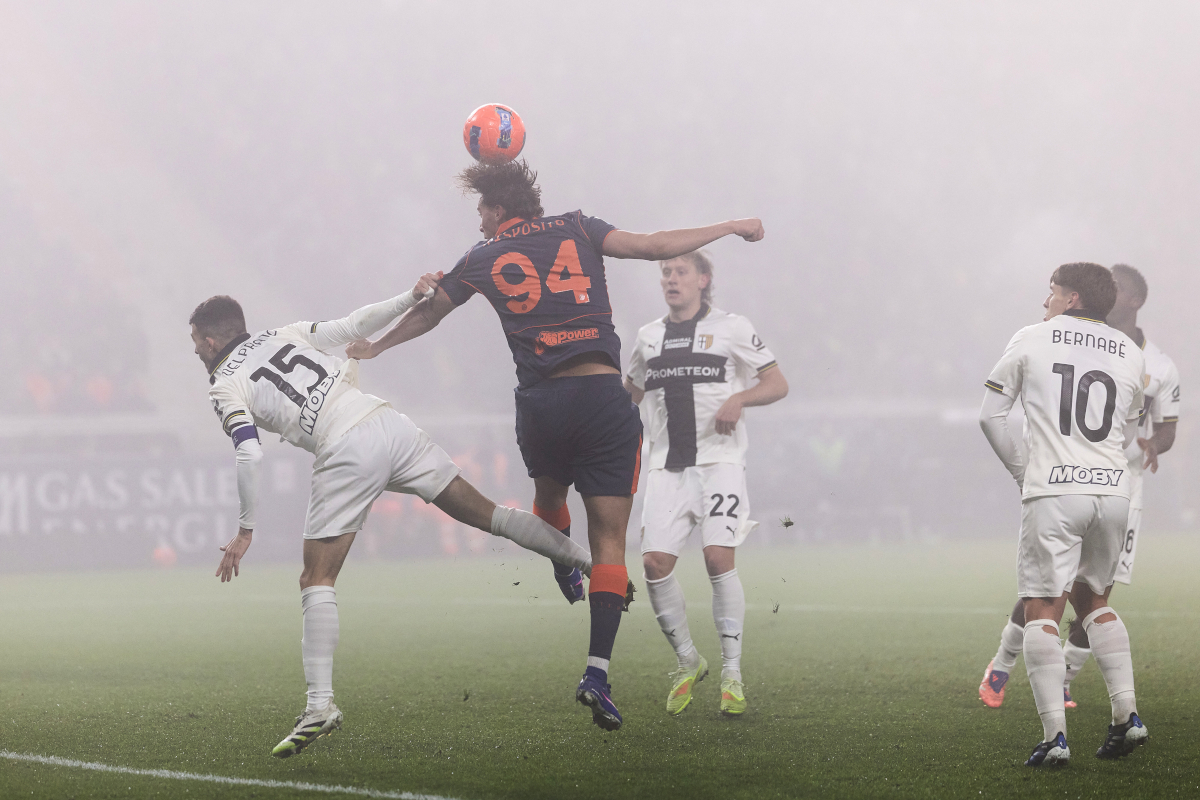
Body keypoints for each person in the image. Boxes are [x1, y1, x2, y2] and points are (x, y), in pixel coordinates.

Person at [345, 159, 764, 730]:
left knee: (548, 499)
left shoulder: (482, 257)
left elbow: (432, 312)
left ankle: (565, 564)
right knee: (612, 541)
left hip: (541, 403)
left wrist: (376, 346)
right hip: (599, 396)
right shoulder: (577, 226)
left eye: (481, 212)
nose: (480, 223)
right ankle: (596, 672)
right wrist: (730, 225)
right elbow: (651, 245)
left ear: (496, 208)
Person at [190, 275, 593, 758]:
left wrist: (245, 530)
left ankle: (320, 706)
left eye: (195, 341)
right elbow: (353, 325)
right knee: (490, 514)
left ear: (211, 340)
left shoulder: (223, 382)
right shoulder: (282, 333)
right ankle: (595, 565)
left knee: (316, 579)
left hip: (344, 446)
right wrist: (411, 296)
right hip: (385, 422)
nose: (195, 350)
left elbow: (249, 454)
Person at [978, 264, 1180, 710]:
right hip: (1112, 486)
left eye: (1050, 292)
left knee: (1048, 599)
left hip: (1061, 485)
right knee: (1090, 599)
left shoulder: (1038, 337)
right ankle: (1121, 713)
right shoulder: (1128, 354)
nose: (1044, 300)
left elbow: (989, 415)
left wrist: (1024, 471)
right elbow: (1126, 430)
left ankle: (1056, 714)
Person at [623, 251, 787, 717]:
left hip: (720, 462)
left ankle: (732, 673)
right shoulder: (648, 337)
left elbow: (777, 384)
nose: (671, 281)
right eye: (666, 274)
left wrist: (739, 397)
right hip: (666, 468)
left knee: (717, 557)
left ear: (703, 279)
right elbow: (628, 396)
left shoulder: (732, 327)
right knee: (654, 564)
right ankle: (688, 662)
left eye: (680, 273)